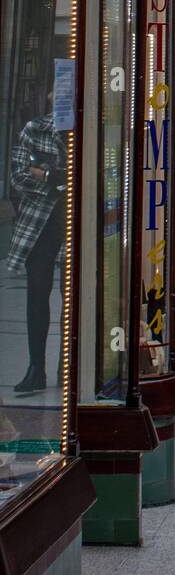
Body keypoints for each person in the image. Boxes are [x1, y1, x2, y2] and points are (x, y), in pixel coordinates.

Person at [7, 103, 68, 395]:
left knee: (71, 299)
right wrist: (56, 180)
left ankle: (67, 365)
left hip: (73, 225)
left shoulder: (90, 132)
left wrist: (44, 174)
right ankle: (36, 367)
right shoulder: (36, 129)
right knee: (37, 294)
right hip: (39, 227)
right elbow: (18, 176)